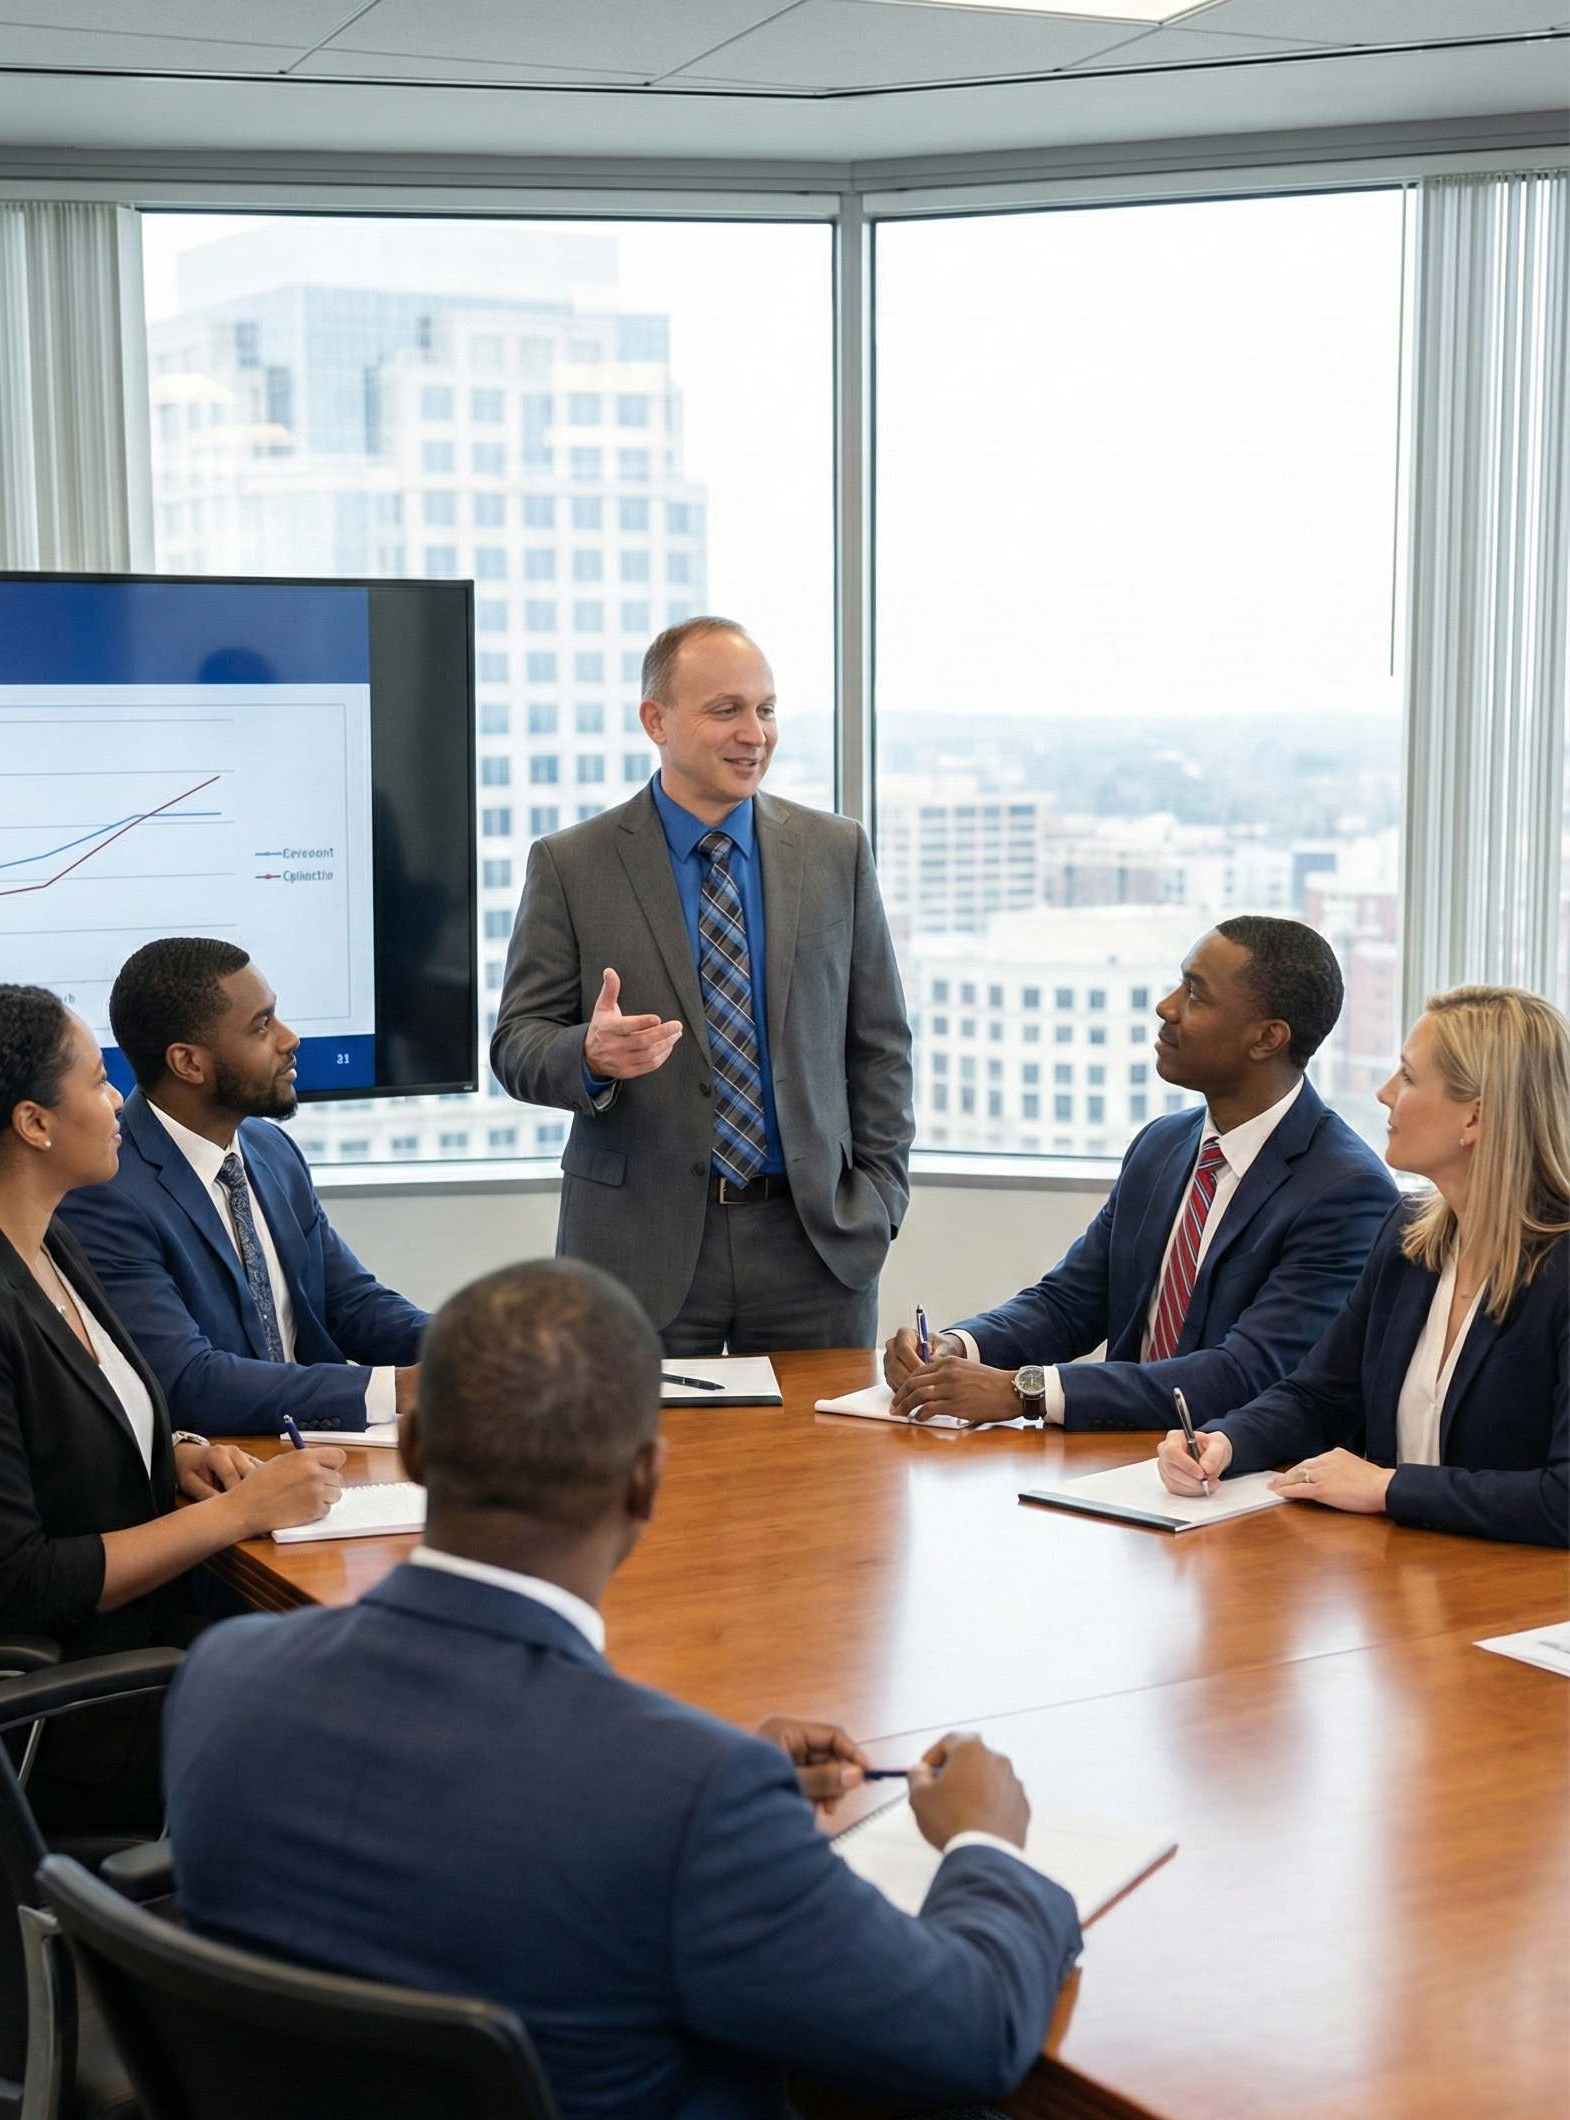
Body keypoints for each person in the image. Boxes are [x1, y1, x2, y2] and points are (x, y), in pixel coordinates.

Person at [166, 1257, 1181, 2120]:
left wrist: (717, 1785)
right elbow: (970, 2034)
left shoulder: (223, 1679)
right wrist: (987, 1848)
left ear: (416, 1444)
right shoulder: (675, 1796)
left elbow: (482, 1822)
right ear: (647, 1479)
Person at [0, 985, 342, 1850]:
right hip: (47, 1714)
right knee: (355, 1735)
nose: (119, 1099)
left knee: (356, 1682)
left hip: (127, 1658)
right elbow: (16, 1582)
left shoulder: (47, 1241)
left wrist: (177, 1459)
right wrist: (238, 1514)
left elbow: (58, 1433)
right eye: (97, 1081)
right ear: (33, 1123)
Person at [490, 618, 915, 1352]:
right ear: (655, 720)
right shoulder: (572, 863)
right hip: (635, 1252)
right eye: (727, 710)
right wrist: (588, 1056)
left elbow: (879, 1046)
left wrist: (878, 1198)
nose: (755, 733)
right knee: (640, 1468)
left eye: (767, 709)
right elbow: (516, 1044)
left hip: (814, 1247)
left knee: (820, 1469)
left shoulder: (835, 852)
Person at [886, 917, 1398, 1430]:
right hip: (1118, 1458)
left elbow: (1243, 1375)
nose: (1167, 1007)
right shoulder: (1163, 1145)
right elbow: (1069, 1304)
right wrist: (955, 1348)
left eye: (1195, 994)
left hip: (1240, 1480)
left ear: (1266, 1038)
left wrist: (1026, 1391)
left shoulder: (1346, 1192)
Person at [1158, 985, 1568, 1548]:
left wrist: (1386, 1488)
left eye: (1407, 1077)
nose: (1383, 1094)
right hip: (1403, 1578)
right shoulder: (1408, 1237)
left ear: (1474, 1116)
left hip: (1520, 1602)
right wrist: (1225, 1442)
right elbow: (1318, 1396)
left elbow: (1564, 1497)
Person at [59, 938, 430, 1435]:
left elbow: (353, 1303)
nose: (289, 1038)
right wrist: (399, 1389)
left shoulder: (270, 1148)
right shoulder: (106, 1191)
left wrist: (472, 1350)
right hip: (225, 1464)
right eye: (262, 1026)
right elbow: (188, 1380)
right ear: (188, 1063)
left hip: (318, 1446)